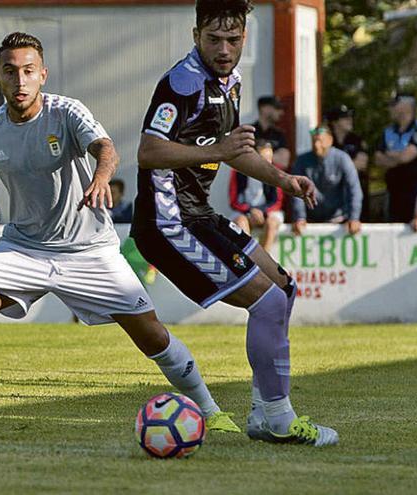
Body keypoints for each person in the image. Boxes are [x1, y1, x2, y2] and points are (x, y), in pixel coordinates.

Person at [0, 32, 241, 435]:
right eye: (10, 72)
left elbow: (106, 149)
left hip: (90, 251)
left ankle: (209, 409)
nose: (20, 80)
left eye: (28, 71)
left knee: (153, 338)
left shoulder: (66, 112)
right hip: (24, 249)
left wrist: (102, 178)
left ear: (43, 75)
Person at [131, 0, 338, 446]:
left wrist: (285, 179)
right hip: (166, 222)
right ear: (195, 35)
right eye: (214, 39)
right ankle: (281, 419)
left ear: (245, 36)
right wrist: (219, 152)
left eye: (233, 39)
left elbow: (235, 149)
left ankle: (264, 414)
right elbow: (149, 152)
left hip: (198, 214)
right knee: (264, 303)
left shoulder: (231, 81)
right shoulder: (182, 83)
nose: (224, 49)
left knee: (282, 289)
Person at [291, 126, 363, 235]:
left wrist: (354, 217)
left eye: (320, 141)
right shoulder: (301, 161)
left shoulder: (342, 159)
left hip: (338, 220)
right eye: (314, 141)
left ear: (330, 140)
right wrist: (299, 217)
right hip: (311, 221)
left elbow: (354, 190)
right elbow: (296, 191)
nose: (316, 145)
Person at [374, 94, 417, 223]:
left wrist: (389, 154)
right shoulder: (388, 131)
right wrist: (399, 157)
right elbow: (378, 159)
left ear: (406, 108)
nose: (390, 109)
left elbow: (407, 157)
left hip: (415, 191)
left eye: (394, 105)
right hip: (393, 191)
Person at [229, 140, 284, 251]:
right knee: (240, 222)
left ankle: (264, 258)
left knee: (272, 223)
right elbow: (233, 200)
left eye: (270, 158)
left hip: (268, 211)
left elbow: (277, 201)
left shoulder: (276, 171)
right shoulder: (239, 171)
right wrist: (250, 211)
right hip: (246, 211)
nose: (268, 162)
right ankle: (248, 258)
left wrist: (262, 212)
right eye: (264, 158)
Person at [326, 105, 369, 221]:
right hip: (334, 198)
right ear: (334, 122)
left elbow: (362, 163)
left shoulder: (356, 139)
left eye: (350, 117)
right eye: (344, 118)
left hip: (356, 193)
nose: (350, 120)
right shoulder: (327, 141)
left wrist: (337, 168)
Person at [252, 95, 290, 168]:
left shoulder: (279, 134)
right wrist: (272, 155)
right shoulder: (248, 131)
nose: (281, 112)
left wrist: (258, 153)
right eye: (277, 108)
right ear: (264, 108)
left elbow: (284, 162)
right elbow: (240, 157)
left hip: (271, 177)